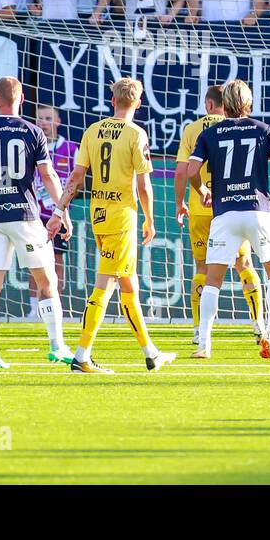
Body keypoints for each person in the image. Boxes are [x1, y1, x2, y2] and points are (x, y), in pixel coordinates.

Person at [47, 77, 175, 374]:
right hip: (122, 217)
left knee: (127, 283)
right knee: (105, 284)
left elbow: (77, 176)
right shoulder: (136, 134)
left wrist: (59, 209)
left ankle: (150, 353)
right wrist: (150, 219)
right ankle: (81, 356)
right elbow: (144, 184)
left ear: (112, 100)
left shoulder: (93, 130)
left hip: (98, 213)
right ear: (138, 104)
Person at [0, 76, 73, 369]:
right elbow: (48, 177)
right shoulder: (33, 132)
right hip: (25, 217)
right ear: (21, 100)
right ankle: (57, 346)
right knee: (47, 282)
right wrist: (61, 213)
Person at [186, 78, 270, 359]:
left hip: (225, 214)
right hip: (259, 211)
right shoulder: (264, 130)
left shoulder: (210, 134)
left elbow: (191, 170)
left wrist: (202, 191)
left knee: (212, 280)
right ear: (248, 101)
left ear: (224, 106)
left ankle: (204, 345)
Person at [175, 84, 265, 346]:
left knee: (203, 268)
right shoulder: (237, 128)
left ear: (209, 105)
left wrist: (180, 203)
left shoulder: (193, 130)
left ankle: (198, 330)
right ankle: (258, 323)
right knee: (244, 264)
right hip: (230, 204)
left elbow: (183, 172)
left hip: (202, 207)